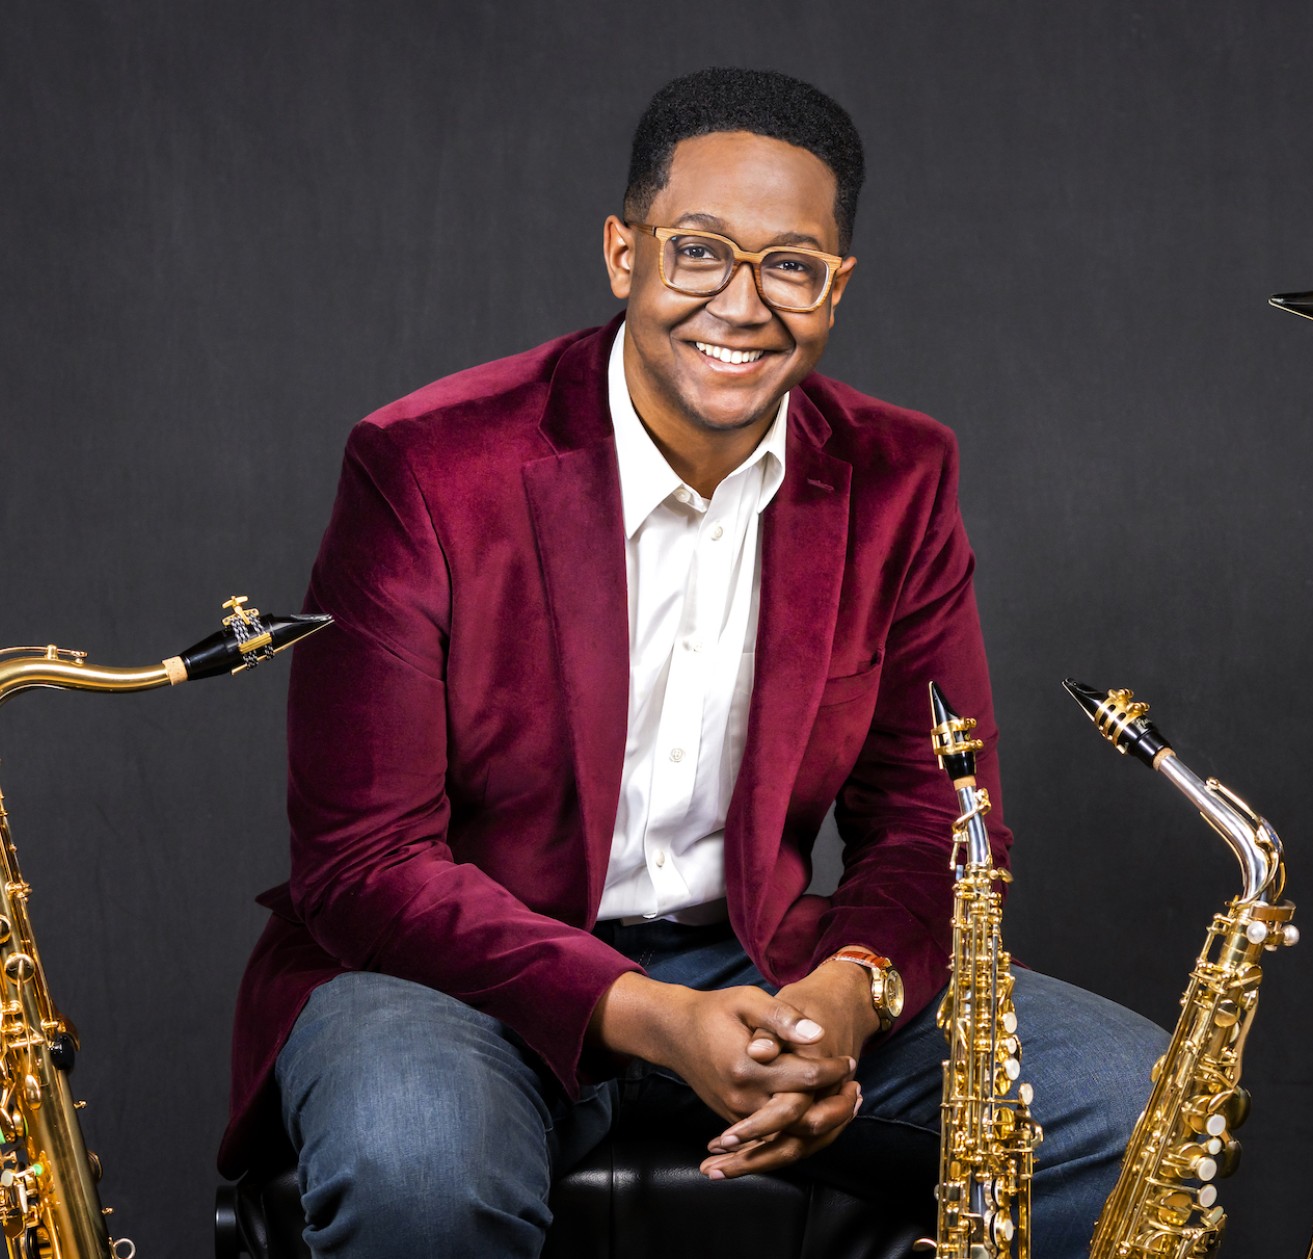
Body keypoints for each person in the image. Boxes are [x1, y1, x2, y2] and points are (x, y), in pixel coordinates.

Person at [221, 66, 1166, 1257]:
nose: (744, 302)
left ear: (837, 285)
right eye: (700, 251)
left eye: (792, 264)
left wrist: (851, 993)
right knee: (419, 1165)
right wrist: (654, 1018)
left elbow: (938, 819)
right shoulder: (423, 465)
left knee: (1134, 1099)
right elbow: (364, 861)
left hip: (764, 961)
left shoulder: (899, 475)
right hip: (448, 974)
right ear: (623, 252)